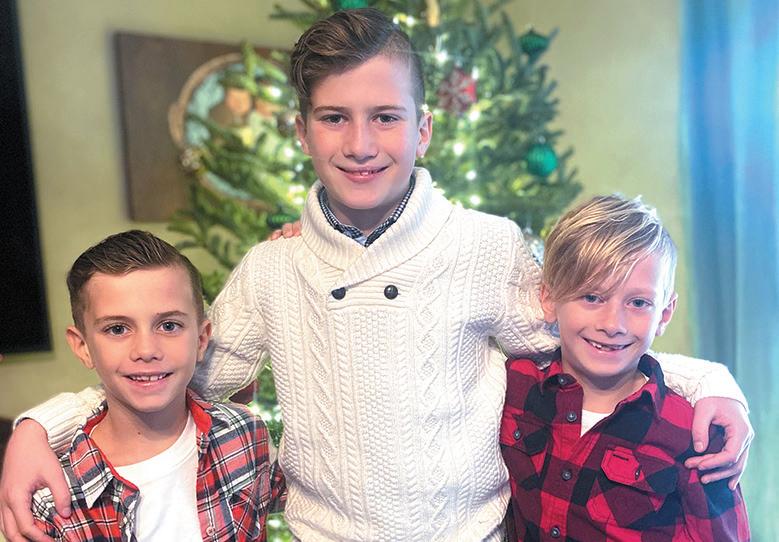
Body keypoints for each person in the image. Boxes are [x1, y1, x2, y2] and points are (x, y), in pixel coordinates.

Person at [0, 9, 751, 542]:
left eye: (385, 117)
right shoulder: (272, 268)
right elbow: (165, 370)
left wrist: (711, 382)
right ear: (301, 131)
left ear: (423, 129)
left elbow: (590, 346)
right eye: (334, 118)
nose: (360, 144)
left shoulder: (485, 246)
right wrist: (44, 424)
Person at [501, 195, 750, 541]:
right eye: (592, 297)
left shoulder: (696, 435)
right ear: (549, 298)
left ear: (664, 313)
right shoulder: (515, 386)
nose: (612, 324)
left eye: (638, 303)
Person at [28, 231, 283, 541]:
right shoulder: (52, 500)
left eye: (169, 325)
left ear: (202, 339)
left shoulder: (244, 434)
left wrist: (315, 249)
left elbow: (320, 500)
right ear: (83, 347)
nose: (146, 350)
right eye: (117, 329)